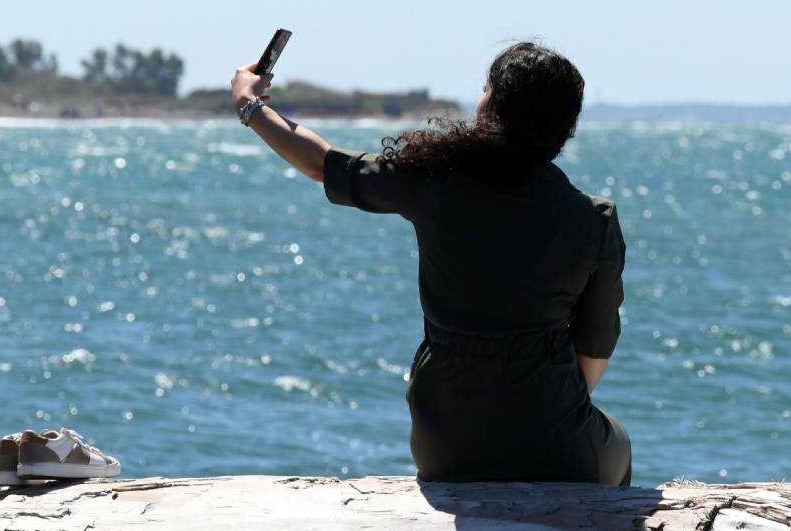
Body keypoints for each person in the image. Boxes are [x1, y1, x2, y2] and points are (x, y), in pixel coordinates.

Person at [231, 41, 630, 486]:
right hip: (554, 444)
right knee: (619, 442)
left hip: (446, 441)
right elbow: (593, 354)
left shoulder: (435, 183)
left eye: (485, 90)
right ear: (565, 126)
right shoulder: (594, 220)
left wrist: (249, 104)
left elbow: (323, 164)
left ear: (493, 108)